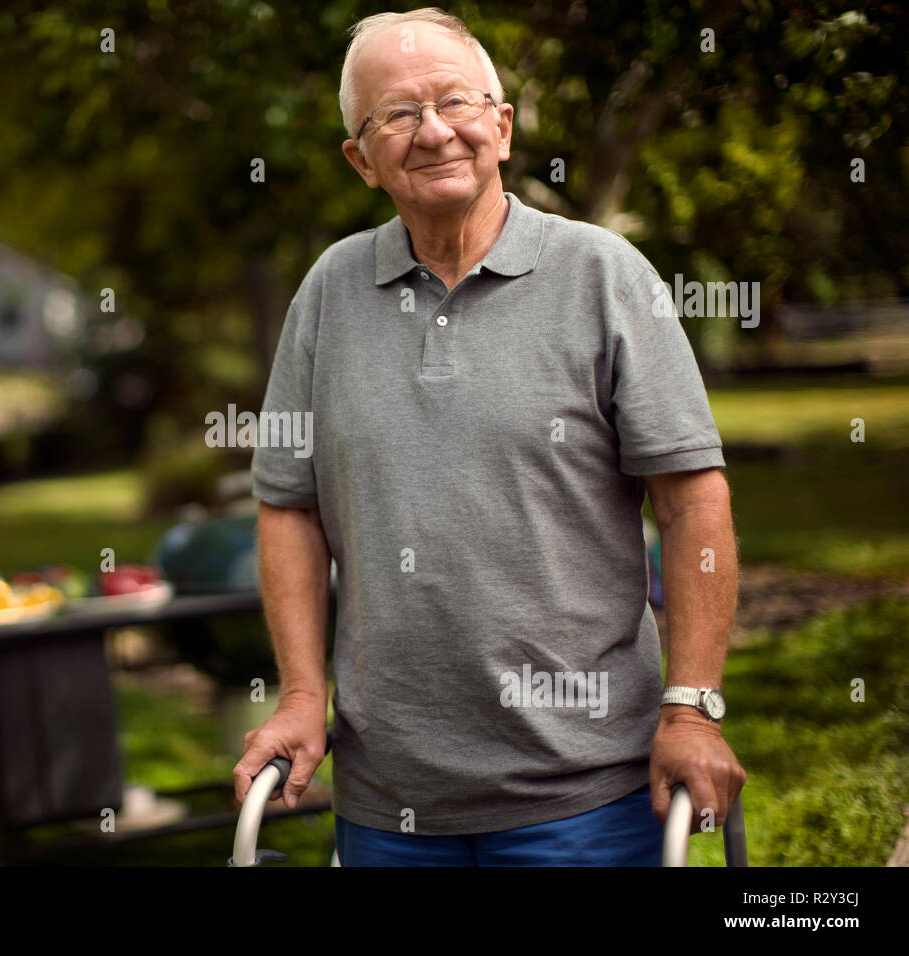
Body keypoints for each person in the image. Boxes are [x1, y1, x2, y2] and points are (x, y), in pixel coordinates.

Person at [233, 7, 746, 866]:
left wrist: (692, 708)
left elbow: (693, 501)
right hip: (387, 806)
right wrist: (297, 695)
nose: (432, 131)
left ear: (501, 127)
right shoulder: (328, 293)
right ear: (361, 160)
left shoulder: (604, 274)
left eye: (455, 102)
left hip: (588, 794)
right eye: (394, 115)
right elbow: (289, 506)